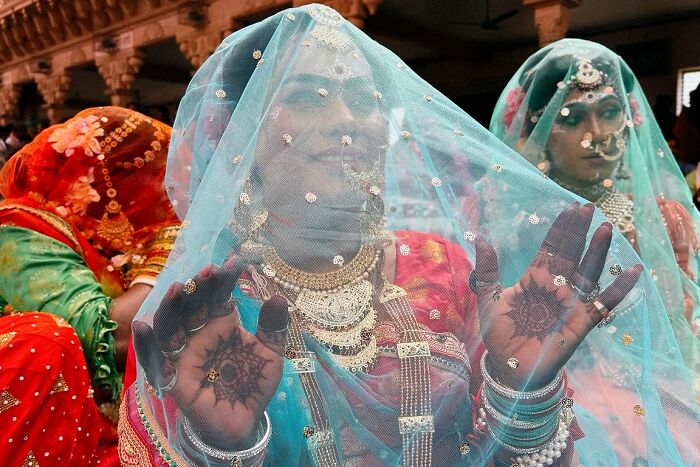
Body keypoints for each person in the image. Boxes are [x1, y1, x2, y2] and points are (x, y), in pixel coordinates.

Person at [120, 6, 698, 467]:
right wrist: (219, 450)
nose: (346, 119)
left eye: (365, 100)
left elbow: (517, 456)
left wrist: (523, 393)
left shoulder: (445, 267)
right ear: (239, 134)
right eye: (303, 96)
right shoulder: (202, 309)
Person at [489, 39, 700, 379]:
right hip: (542, 403)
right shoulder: (509, 222)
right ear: (536, 132)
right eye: (572, 119)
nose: (598, 134)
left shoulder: (664, 220)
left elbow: (681, 340)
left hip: (652, 403)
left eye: (609, 112)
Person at [0, 106, 179, 464]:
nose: (166, 191)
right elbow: (109, 335)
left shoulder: (122, 238)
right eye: (153, 175)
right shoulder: (20, 233)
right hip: (60, 420)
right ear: (107, 181)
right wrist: (171, 252)